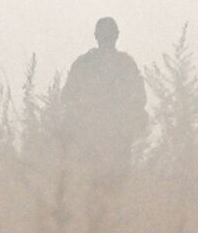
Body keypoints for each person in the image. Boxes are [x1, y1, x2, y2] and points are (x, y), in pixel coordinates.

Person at [61, 17, 147, 178]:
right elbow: (140, 100)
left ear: (96, 36)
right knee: (110, 189)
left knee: (99, 190)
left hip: (101, 141)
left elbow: (67, 98)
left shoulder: (85, 63)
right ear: (117, 35)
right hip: (103, 141)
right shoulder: (125, 64)